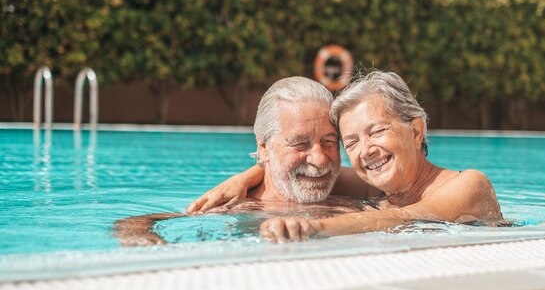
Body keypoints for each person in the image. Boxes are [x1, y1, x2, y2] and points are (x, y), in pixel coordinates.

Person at [192, 71, 507, 242]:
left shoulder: (469, 184)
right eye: (351, 141)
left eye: (376, 131)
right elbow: (301, 172)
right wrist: (244, 177)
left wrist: (314, 229)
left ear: (415, 131)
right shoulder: (376, 190)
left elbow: (410, 217)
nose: (365, 151)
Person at [115, 76, 366, 246]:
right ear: (264, 148)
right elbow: (141, 221)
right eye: (300, 143)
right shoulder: (240, 206)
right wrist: (139, 238)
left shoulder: (352, 190)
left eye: (329, 142)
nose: (320, 159)